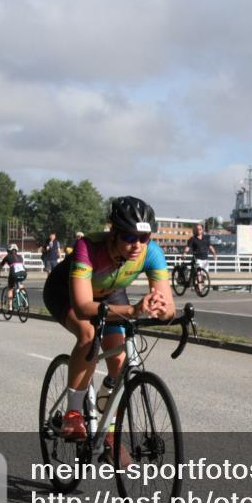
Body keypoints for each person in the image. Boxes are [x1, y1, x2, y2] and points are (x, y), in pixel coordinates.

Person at [42, 197, 174, 461]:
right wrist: (134, 310)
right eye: (128, 236)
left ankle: (109, 433)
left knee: (120, 360)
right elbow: (82, 307)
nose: (136, 244)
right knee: (89, 334)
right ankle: (74, 413)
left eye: (144, 237)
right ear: (112, 232)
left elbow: (169, 307)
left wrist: (162, 309)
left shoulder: (151, 252)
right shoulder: (87, 247)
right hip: (66, 294)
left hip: (110, 294)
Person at [0, 244, 27, 308]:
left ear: (8, 250)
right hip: (23, 273)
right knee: (20, 284)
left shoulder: (7, 257)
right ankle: (24, 297)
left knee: (10, 288)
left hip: (14, 274)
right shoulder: (20, 256)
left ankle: (10, 307)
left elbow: (0, 267)